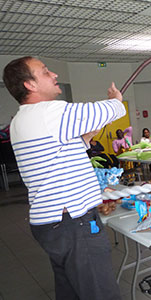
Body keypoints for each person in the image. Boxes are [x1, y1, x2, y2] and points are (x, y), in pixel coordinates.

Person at [2, 56, 125, 300]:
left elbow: (64, 149)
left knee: (71, 290)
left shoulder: (20, 120)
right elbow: (112, 109)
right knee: (100, 294)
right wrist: (115, 100)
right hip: (73, 224)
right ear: (30, 85)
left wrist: (87, 137)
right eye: (45, 72)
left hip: (52, 226)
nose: (54, 74)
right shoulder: (49, 112)